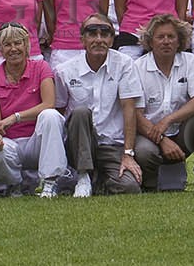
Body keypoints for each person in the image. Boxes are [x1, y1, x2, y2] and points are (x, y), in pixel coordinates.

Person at [56, 14, 142, 198]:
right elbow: (58, 112)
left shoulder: (125, 64)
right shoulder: (65, 70)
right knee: (80, 112)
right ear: (82, 40)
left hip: (111, 145)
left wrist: (128, 154)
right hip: (76, 146)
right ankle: (83, 175)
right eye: (92, 34)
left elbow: (129, 108)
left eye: (105, 34)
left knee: (129, 187)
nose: (98, 39)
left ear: (112, 40)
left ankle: (97, 181)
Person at [133, 14, 194, 192]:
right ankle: (149, 185)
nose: (166, 41)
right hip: (149, 134)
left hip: (181, 133)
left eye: (171, 37)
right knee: (143, 151)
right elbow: (135, 115)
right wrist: (163, 140)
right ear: (150, 42)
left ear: (179, 41)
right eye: (160, 37)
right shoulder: (137, 67)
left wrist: (168, 120)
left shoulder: (191, 61)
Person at [0, 22, 67, 198]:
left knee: (50, 116)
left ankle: (50, 182)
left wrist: (15, 117)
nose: (13, 49)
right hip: (11, 142)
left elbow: (49, 103)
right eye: (7, 44)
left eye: (17, 43)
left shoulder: (41, 67)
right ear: (0, 49)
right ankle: (15, 185)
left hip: (37, 140)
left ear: (26, 45)